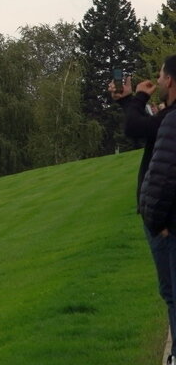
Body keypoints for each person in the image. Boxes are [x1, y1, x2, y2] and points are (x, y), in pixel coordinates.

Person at [130, 55, 176, 358]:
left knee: (172, 294)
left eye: (160, 76)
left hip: (168, 228)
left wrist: (155, 221)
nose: (157, 80)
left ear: (170, 80)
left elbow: (163, 176)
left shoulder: (172, 119)